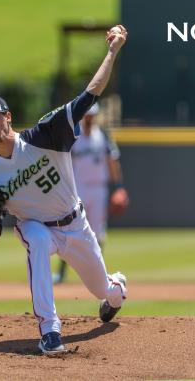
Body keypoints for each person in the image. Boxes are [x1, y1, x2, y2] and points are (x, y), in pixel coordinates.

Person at [0, 25, 129, 355]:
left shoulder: (46, 135)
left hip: (75, 224)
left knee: (105, 289)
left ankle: (117, 288)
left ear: (8, 117)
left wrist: (113, 52)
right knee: (37, 238)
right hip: (35, 227)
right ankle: (49, 329)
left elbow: (91, 93)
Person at [53, 103, 129, 284]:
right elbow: (64, 164)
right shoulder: (74, 136)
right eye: (86, 116)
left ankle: (98, 275)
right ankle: (62, 274)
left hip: (98, 189)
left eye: (91, 116)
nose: (89, 119)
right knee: (69, 230)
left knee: (98, 233)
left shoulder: (103, 135)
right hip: (78, 188)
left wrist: (119, 187)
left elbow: (112, 162)